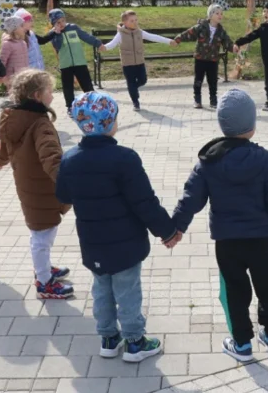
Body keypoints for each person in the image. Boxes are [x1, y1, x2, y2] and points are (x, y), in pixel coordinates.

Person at [172, 89, 268, 362]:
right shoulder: (263, 159)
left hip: (227, 241)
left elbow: (190, 199)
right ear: (252, 126)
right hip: (260, 240)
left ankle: (242, 343)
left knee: (234, 289)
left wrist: (176, 228)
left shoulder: (208, 162)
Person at [56, 91, 180, 363]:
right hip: (125, 242)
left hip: (93, 242)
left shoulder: (70, 159)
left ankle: (109, 339)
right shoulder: (125, 158)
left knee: (101, 289)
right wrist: (168, 231)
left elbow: (63, 195)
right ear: (109, 122)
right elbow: (144, 202)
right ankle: (135, 342)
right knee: (127, 290)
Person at [0, 70, 73, 298]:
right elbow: (51, 158)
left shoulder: (12, 117)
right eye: (50, 91)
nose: (53, 96)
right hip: (43, 190)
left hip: (28, 187)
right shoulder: (40, 124)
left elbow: (5, 147)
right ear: (37, 95)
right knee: (42, 236)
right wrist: (69, 183)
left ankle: (43, 267)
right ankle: (44, 282)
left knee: (42, 232)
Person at [100, 10, 175, 111]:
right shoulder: (120, 34)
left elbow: (154, 37)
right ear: (125, 22)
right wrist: (104, 47)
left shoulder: (139, 32)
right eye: (132, 21)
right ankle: (135, 102)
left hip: (140, 62)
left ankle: (133, 89)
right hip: (127, 64)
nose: (135, 22)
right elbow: (112, 44)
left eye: (136, 20)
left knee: (143, 80)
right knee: (131, 82)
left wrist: (169, 41)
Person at [174, 4, 235, 109]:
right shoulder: (201, 26)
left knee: (213, 81)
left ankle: (213, 101)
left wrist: (234, 48)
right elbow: (189, 33)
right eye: (217, 13)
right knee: (198, 80)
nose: (220, 15)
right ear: (210, 15)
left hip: (213, 60)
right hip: (200, 59)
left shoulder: (221, 31)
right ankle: (197, 100)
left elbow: (227, 43)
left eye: (221, 14)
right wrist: (178, 39)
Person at [48, 9, 101, 114]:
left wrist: (97, 43)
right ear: (53, 24)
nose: (61, 24)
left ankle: (93, 103)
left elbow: (86, 36)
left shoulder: (73, 28)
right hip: (65, 65)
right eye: (58, 22)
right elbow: (57, 46)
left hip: (80, 62)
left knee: (87, 84)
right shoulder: (52, 34)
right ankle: (70, 107)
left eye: (63, 20)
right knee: (68, 87)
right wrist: (58, 34)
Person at [0, 16, 30, 85]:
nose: (24, 28)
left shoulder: (23, 43)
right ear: (14, 29)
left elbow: (26, 60)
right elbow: (2, 61)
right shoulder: (7, 44)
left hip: (24, 76)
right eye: (22, 26)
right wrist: (1, 76)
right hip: (12, 78)